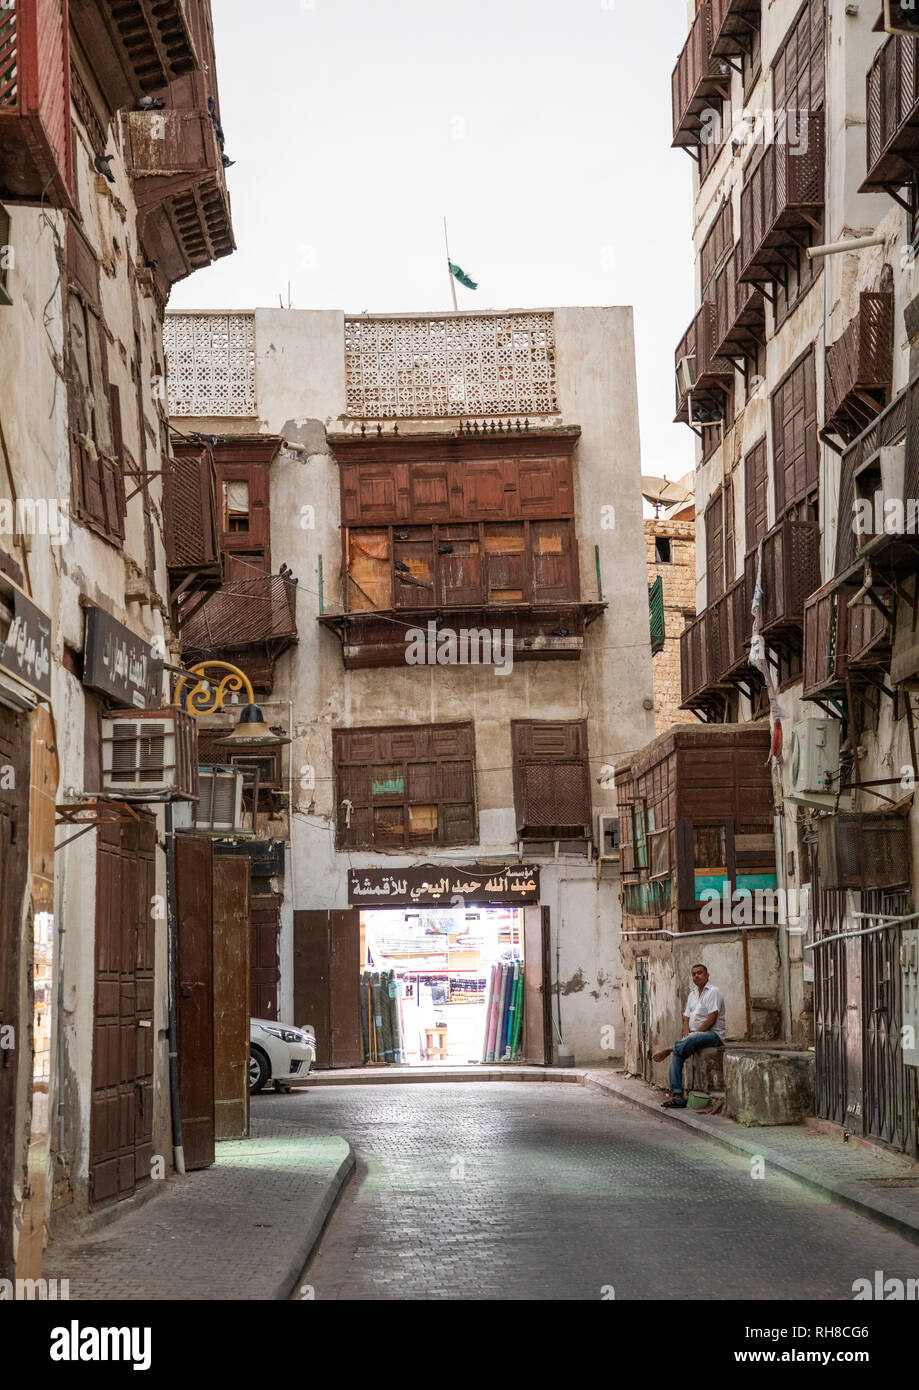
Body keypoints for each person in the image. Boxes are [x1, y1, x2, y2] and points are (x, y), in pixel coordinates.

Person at [652, 963, 725, 1109]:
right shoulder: (692, 994)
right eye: (694, 974)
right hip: (693, 1037)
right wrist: (687, 1034)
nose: (696, 976)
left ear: (707, 975)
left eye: (699, 973)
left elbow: (712, 1018)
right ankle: (677, 1096)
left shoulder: (713, 992)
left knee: (687, 1041)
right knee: (677, 1055)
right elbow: (686, 1017)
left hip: (713, 1035)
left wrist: (694, 1035)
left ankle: (669, 1048)